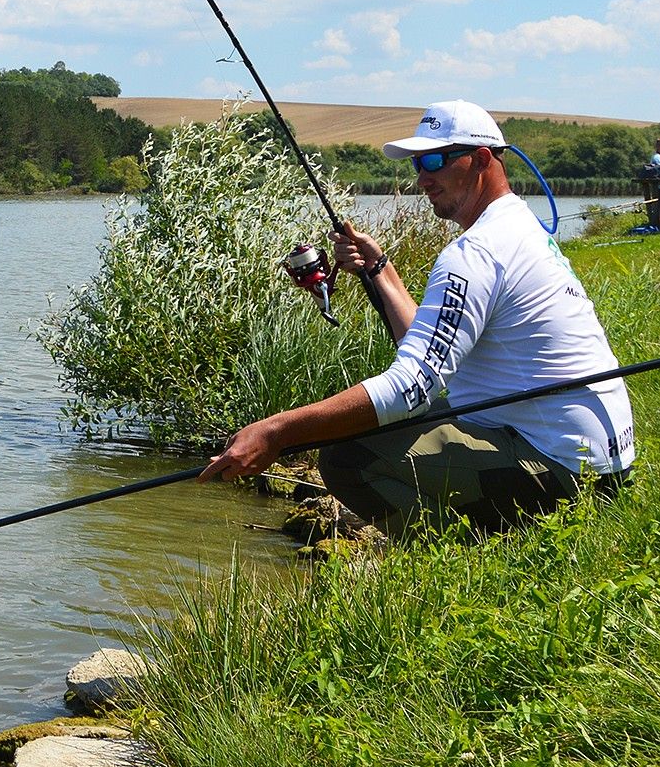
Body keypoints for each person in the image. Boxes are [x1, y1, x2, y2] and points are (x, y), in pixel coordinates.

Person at [202, 99, 635, 534]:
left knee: (347, 457)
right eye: (417, 164)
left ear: (481, 159)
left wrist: (276, 432)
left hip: (564, 474)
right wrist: (380, 270)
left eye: (434, 160)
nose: (423, 178)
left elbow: (411, 388)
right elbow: (430, 357)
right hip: (603, 466)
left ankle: (454, 560)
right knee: (410, 419)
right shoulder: (522, 231)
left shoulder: (476, 253)